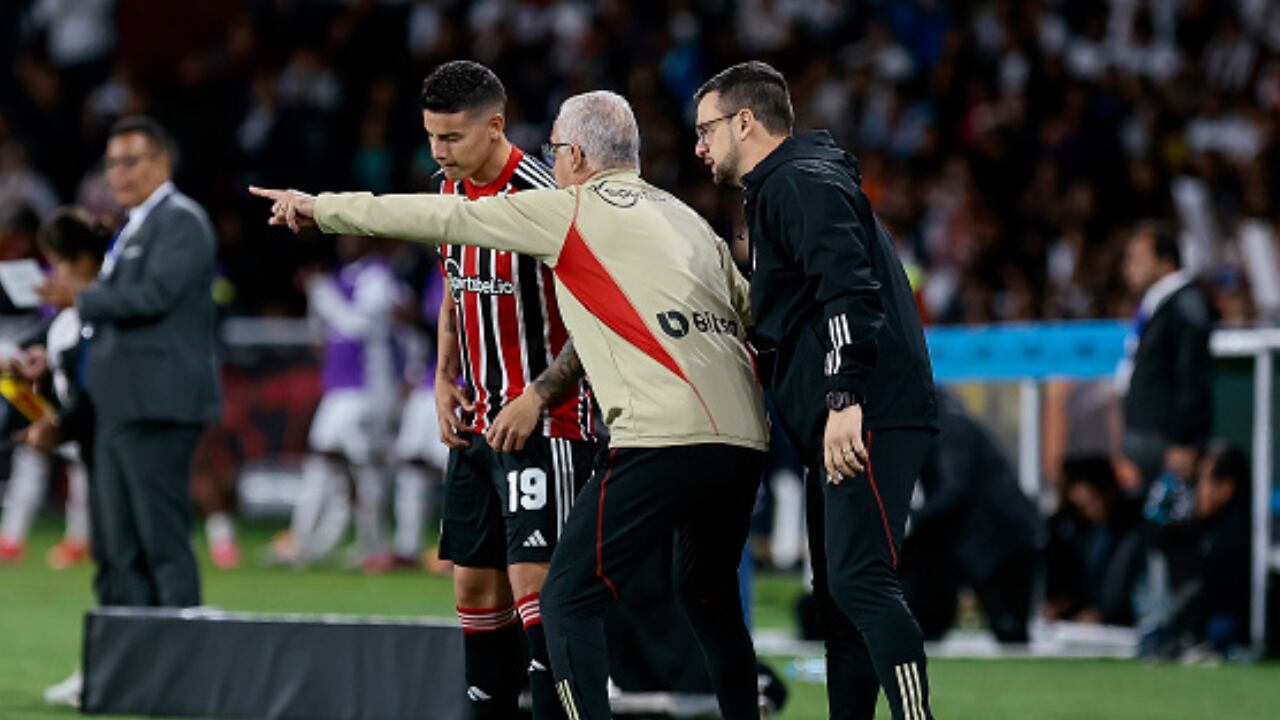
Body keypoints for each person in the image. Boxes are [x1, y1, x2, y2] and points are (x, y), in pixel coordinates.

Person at [251, 89, 769, 720]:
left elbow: (438, 224)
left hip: (607, 429)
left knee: (564, 599)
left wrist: (319, 208)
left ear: (573, 154)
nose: (438, 153)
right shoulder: (683, 216)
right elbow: (751, 311)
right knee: (705, 602)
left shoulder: (557, 204)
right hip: (739, 437)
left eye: (558, 148)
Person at [692, 61, 939, 720]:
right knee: (837, 599)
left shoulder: (798, 183)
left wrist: (842, 398)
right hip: (847, 414)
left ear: (745, 121)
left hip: (868, 412)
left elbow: (848, 291)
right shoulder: (793, 182)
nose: (699, 147)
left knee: (859, 580)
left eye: (707, 130)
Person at [414, 61, 598, 719]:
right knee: (473, 581)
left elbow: (598, 318)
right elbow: (455, 290)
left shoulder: (546, 199)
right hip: (477, 420)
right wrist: (443, 377)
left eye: (453, 138)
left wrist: (538, 397)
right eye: (432, 137)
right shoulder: (449, 193)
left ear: (495, 126)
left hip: (548, 425)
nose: (440, 152)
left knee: (537, 590)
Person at [38, 115, 221, 608]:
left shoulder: (181, 220)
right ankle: (136, 674)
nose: (118, 174)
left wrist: (81, 297)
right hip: (122, 404)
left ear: (161, 162)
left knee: (160, 544)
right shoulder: (136, 226)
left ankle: (183, 665)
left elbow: (156, 294)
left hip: (157, 403)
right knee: (122, 549)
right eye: (112, 164)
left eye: (130, 161)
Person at [269, 235, 399, 569]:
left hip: (367, 389)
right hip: (339, 388)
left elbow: (357, 328)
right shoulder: (341, 278)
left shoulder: (377, 277)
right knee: (326, 464)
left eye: (353, 234)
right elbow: (322, 334)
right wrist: (317, 298)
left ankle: (371, 545)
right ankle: (309, 542)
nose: (345, 241)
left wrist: (321, 294)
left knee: (360, 469)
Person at [901, 391, 1043, 644]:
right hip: (994, 541)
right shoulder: (943, 420)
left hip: (1003, 546)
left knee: (1010, 634)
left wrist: (911, 521)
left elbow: (953, 490)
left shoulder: (948, 426)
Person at [1116, 223, 1214, 491]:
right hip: (1149, 440)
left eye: (1137, 258)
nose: (1127, 267)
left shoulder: (1185, 302)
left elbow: (1192, 373)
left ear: (1165, 262)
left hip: (1168, 443)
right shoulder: (1159, 303)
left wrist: (1183, 440)